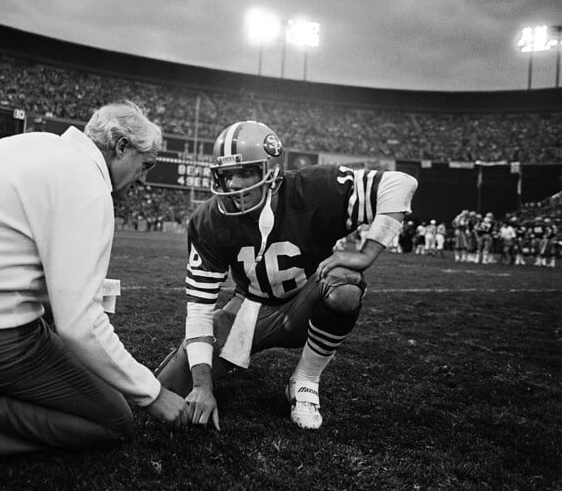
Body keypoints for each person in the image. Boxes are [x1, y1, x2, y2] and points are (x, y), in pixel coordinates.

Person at [0, 102, 189, 481]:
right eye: (146, 163)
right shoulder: (89, 185)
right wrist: (152, 394)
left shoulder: (27, 142)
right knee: (115, 420)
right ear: (121, 146)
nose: (142, 178)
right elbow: (80, 326)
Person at [155, 121, 417, 431]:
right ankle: (225, 364)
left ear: (272, 172)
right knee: (168, 392)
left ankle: (305, 382)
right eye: (226, 175)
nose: (234, 185)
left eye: (245, 172)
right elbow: (198, 309)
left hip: (306, 302)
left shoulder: (315, 188)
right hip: (248, 310)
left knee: (346, 282)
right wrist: (202, 384)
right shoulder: (209, 219)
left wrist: (367, 253)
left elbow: (400, 183)